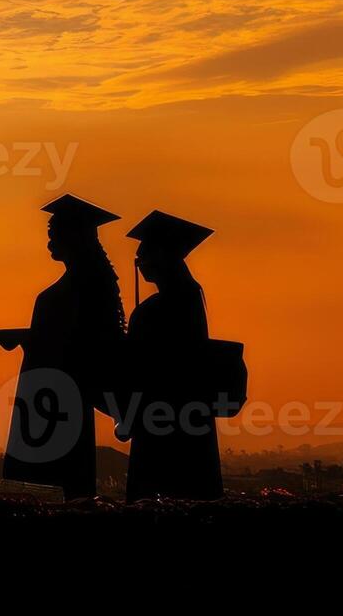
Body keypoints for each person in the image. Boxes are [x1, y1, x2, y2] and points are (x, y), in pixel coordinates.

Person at [0, 194, 126, 499]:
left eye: (55, 234)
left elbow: (77, 346)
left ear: (75, 236)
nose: (50, 241)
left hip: (56, 403)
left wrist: (28, 339)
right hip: (52, 400)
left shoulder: (80, 288)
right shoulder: (88, 286)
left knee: (47, 489)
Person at [121, 211, 237, 501]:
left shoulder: (155, 310)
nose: (140, 265)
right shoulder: (189, 299)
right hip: (188, 419)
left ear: (161, 254)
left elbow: (140, 369)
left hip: (159, 420)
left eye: (142, 257)